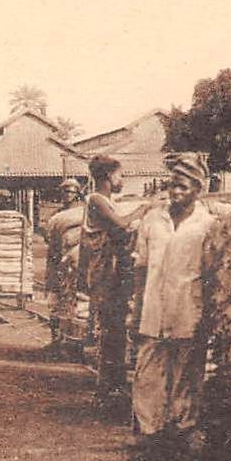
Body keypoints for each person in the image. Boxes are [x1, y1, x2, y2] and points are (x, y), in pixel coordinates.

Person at [129, 153, 216, 461]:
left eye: (183, 187)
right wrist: (138, 306)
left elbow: (210, 273)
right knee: (148, 372)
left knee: (186, 374)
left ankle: (182, 434)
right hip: (153, 305)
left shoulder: (206, 224)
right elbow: (141, 265)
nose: (176, 193)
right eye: (172, 186)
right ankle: (150, 436)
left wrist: (207, 313)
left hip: (187, 306)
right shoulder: (153, 220)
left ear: (198, 189)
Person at [81, 155, 149, 405]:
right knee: (111, 328)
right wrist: (144, 209)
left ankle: (113, 383)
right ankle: (106, 386)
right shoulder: (97, 201)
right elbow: (120, 225)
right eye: (119, 175)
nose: (122, 180)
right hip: (105, 273)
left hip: (113, 272)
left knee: (116, 328)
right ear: (108, 177)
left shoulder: (107, 201)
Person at [42, 177, 87, 354]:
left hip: (74, 261)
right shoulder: (58, 216)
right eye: (64, 191)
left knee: (75, 302)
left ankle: (74, 341)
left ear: (77, 194)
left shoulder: (82, 212)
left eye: (70, 192)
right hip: (56, 260)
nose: (67, 195)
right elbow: (49, 236)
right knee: (55, 301)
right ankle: (56, 339)